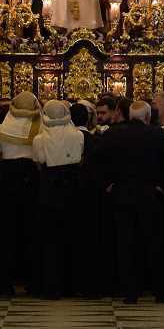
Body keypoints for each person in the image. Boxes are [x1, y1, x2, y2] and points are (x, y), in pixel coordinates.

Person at [96, 100, 164, 303]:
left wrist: (108, 184)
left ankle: (130, 293)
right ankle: (161, 291)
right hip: (149, 195)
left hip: (122, 195)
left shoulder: (113, 134)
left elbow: (96, 161)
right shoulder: (157, 134)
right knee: (154, 243)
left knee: (126, 244)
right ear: (148, 117)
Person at [31, 100, 86, 299]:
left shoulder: (39, 139)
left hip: (48, 189)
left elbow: (38, 161)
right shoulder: (78, 135)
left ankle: (51, 286)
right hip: (71, 187)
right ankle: (71, 284)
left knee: (50, 240)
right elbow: (79, 158)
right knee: (72, 237)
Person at [0, 92, 43, 294]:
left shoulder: (2, 128)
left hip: (7, 178)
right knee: (31, 230)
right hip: (30, 178)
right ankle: (33, 281)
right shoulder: (39, 126)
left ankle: (4, 282)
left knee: (7, 231)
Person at [70, 101, 109, 297]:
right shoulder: (95, 140)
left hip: (69, 195)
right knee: (92, 239)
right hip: (92, 196)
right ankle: (92, 285)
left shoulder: (62, 139)